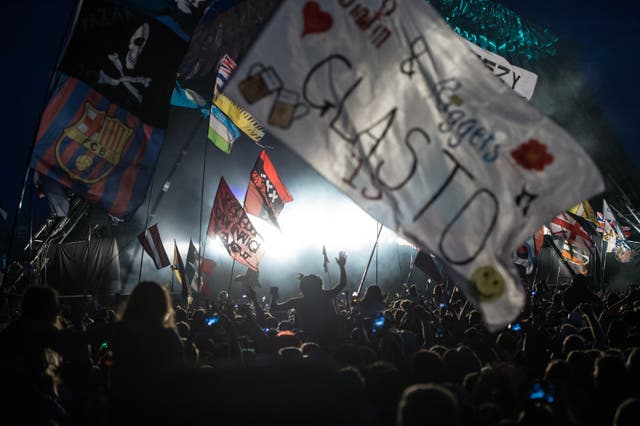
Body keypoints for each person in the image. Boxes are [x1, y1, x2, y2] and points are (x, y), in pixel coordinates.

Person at [270, 251, 347, 344]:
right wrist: (342, 267)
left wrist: (274, 295)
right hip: (329, 339)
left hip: (308, 340)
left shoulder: (298, 302)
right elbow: (342, 284)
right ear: (320, 285)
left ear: (302, 287)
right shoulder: (325, 296)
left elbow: (274, 308)